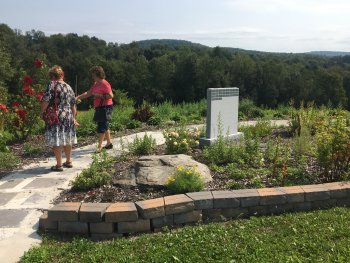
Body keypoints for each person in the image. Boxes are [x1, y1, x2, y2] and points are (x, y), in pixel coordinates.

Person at [40, 65, 78, 171]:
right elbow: (73, 104)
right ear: (62, 75)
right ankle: (69, 161)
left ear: (51, 76)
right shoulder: (68, 87)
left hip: (56, 116)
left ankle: (59, 165)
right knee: (67, 138)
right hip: (68, 116)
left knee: (56, 139)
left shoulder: (52, 85)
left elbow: (46, 99)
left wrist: (42, 112)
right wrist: (74, 117)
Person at [76, 66, 114, 152]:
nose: (92, 77)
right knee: (105, 125)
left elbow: (111, 96)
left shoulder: (105, 84)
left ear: (98, 75)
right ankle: (108, 143)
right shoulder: (96, 84)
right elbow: (89, 93)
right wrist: (78, 97)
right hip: (100, 107)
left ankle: (99, 146)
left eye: (93, 75)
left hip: (105, 107)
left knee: (101, 126)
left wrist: (99, 95)